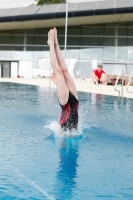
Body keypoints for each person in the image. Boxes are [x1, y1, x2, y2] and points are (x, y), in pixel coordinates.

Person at [47, 28, 79, 132]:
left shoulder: (61, 127)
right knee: (64, 70)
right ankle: (54, 42)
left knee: (59, 71)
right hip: (75, 101)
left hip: (65, 103)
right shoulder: (62, 129)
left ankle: (52, 43)